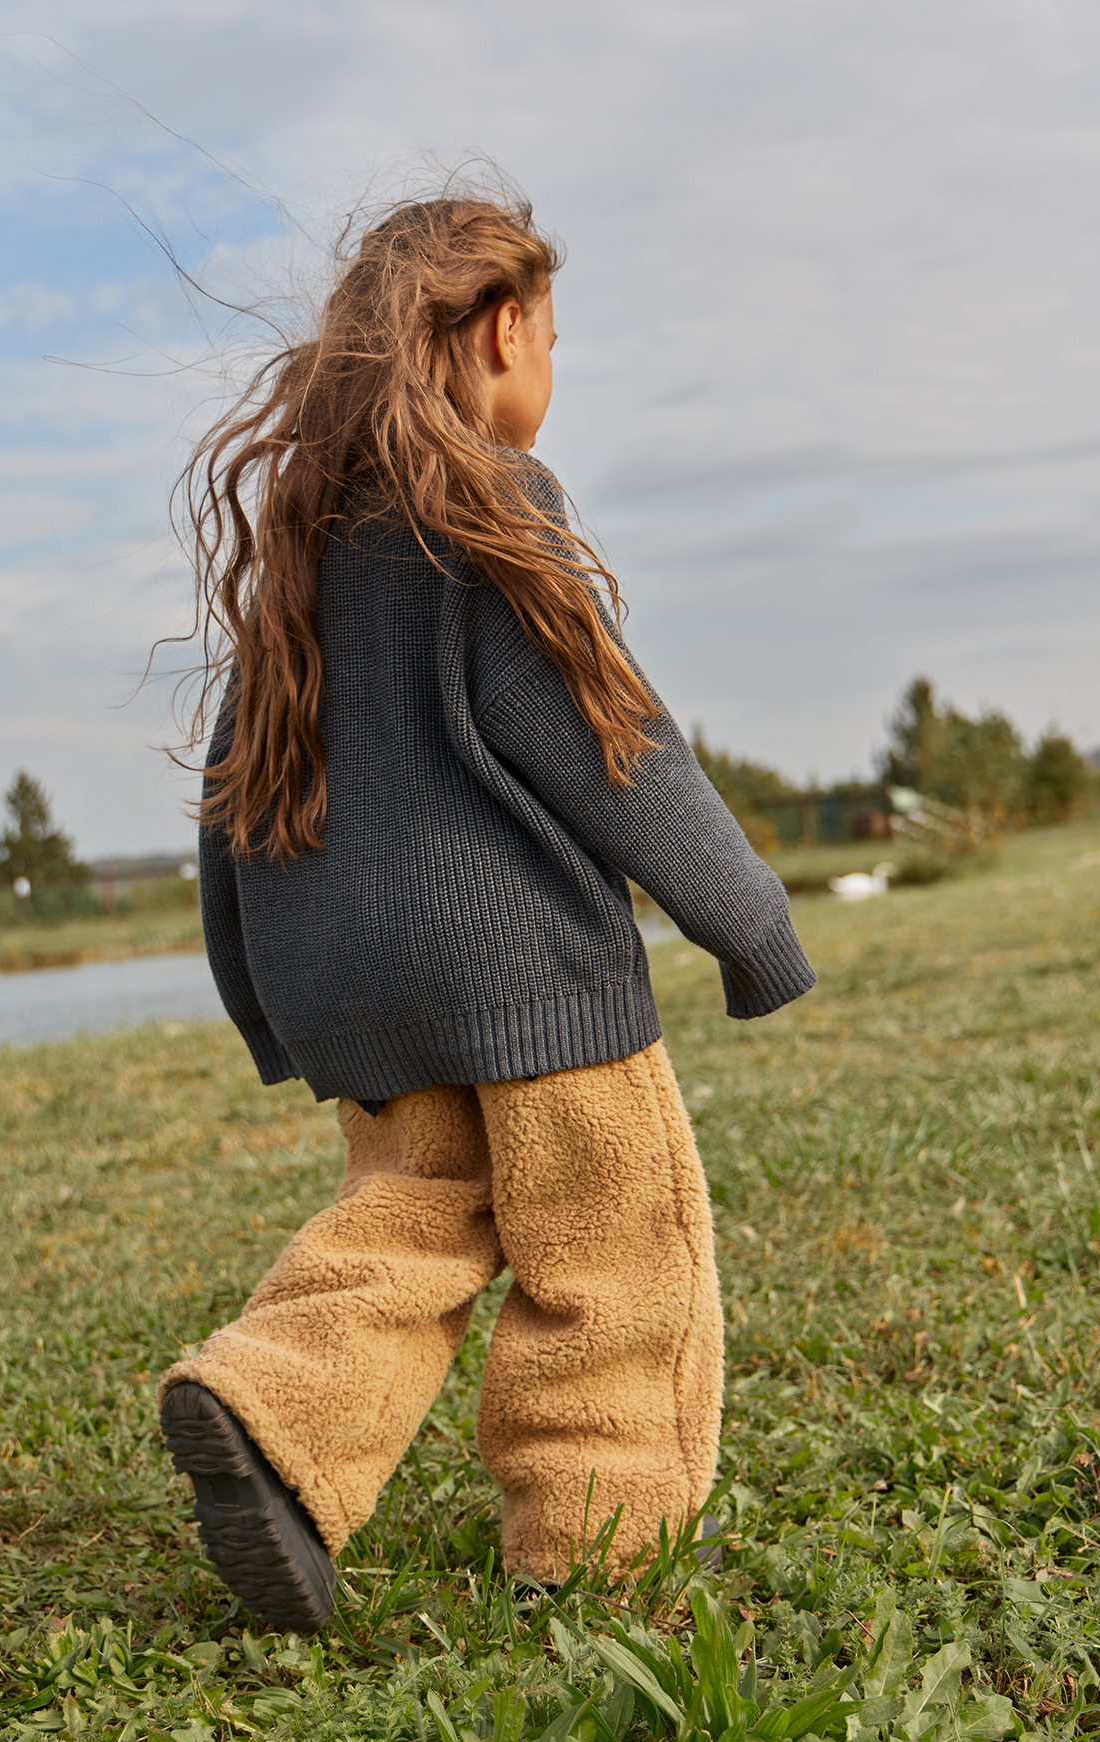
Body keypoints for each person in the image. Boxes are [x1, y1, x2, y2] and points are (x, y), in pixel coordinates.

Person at [157, 191, 815, 1632]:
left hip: (357, 993)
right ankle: (593, 1546)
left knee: (403, 1228)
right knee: (612, 1253)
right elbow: (605, 737)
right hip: (529, 979)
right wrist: (746, 923)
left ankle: (268, 1413)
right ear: (503, 327)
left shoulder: (302, 560)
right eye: (554, 340)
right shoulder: (493, 501)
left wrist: (264, 1001)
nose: (552, 373)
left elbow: (233, 788)